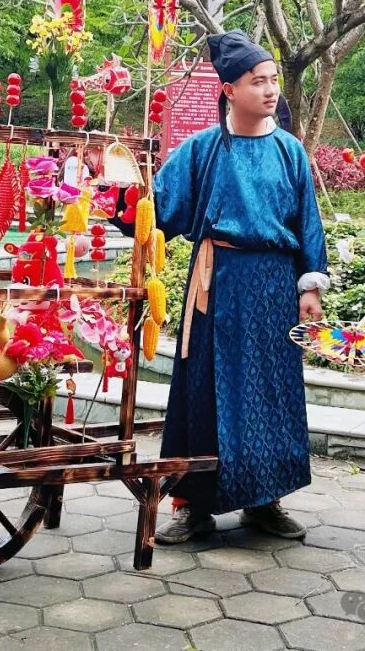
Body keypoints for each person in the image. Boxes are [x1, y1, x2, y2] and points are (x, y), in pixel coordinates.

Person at [123, 30, 329, 544]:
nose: (270, 90)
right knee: (203, 390)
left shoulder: (290, 152)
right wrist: (114, 192)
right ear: (229, 90)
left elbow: (308, 222)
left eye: (273, 80)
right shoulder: (202, 149)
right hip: (215, 286)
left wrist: (309, 287)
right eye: (257, 81)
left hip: (273, 287)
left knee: (269, 391)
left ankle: (265, 501)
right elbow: (156, 207)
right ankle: (192, 504)